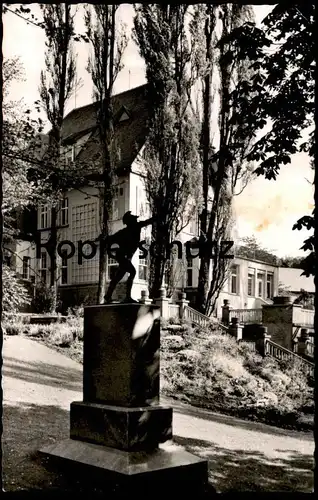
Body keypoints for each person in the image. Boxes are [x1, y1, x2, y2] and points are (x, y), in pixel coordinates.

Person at [104, 211, 154, 304]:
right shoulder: (127, 231)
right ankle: (127, 296)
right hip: (123, 256)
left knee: (118, 277)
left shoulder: (127, 230)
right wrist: (110, 251)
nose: (136, 220)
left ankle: (108, 295)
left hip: (125, 257)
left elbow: (148, 221)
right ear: (129, 222)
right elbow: (109, 240)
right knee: (133, 272)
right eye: (134, 219)